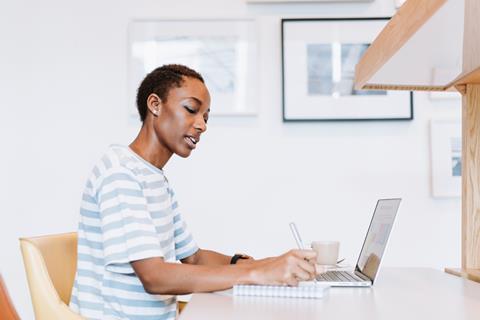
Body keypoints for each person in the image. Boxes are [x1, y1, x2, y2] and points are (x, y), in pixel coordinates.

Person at [70, 64, 317, 320]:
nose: (202, 125)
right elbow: (154, 277)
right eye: (191, 109)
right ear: (155, 104)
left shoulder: (154, 177)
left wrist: (272, 264)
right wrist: (257, 275)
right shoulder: (120, 172)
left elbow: (195, 259)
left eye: (206, 117)